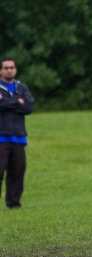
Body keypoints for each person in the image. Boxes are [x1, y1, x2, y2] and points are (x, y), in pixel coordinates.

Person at [0, 57, 34, 208]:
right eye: (6, 67)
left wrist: (6, 103)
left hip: (19, 137)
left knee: (17, 171)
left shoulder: (21, 88)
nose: (9, 70)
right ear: (1, 70)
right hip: (1, 136)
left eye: (11, 67)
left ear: (15, 69)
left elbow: (28, 108)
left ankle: (13, 203)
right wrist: (17, 102)